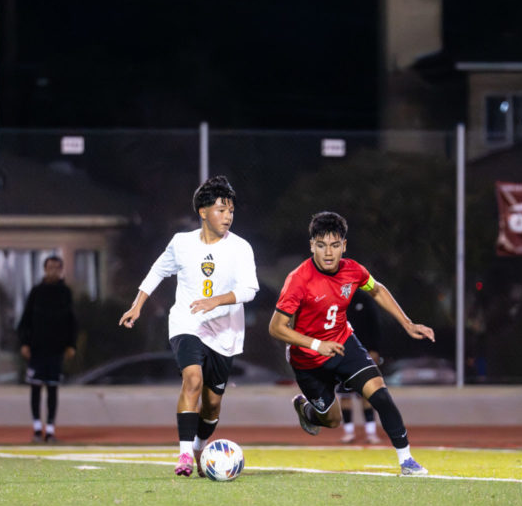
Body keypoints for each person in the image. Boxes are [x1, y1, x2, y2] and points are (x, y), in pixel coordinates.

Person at [268, 211, 434, 476]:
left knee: (379, 392)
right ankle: (307, 410)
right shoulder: (298, 279)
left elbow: (377, 289)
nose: (328, 253)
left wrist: (407, 323)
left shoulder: (353, 270)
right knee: (332, 420)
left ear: (344, 246)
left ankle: (406, 460)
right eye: (321, 245)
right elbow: (276, 328)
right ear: (312, 245)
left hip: (344, 344)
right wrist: (315, 345)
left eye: (335, 245)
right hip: (308, 361)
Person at [119, 175, 259, 477]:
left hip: (225, 333)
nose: (228, 216)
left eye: (231, 211)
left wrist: (216, 301)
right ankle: (183, 456)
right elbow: (159, 270)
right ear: (203, 211)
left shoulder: (241, 248)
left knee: (211, 405)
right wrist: (138, 304)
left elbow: (250, 289)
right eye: (221, 210)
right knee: (192, 379)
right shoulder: (181, 243)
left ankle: (199, 447)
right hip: (187, 323)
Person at [17, 255, 77, 444]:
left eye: (57, 268)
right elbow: (25, 320)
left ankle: (50, 430)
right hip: (37, 349)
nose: (53, 271)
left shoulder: (65, 293)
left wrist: (71, 345)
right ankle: (37, 428)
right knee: (35, 387)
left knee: (52, 388)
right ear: (45, 269)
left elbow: (71, 322)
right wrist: (25, 343)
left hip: (56, 350)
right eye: (50, 267)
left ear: (61, 270)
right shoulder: (36, 292)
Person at [338, 289, 382, 444]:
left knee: (366, 394)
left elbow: (375, 326)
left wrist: (375, 349)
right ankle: (348, 432)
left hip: (363, 354)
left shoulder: (365, 299)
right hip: (342, 354)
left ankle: (371, 432)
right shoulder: (336, 298)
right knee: (344, 395)